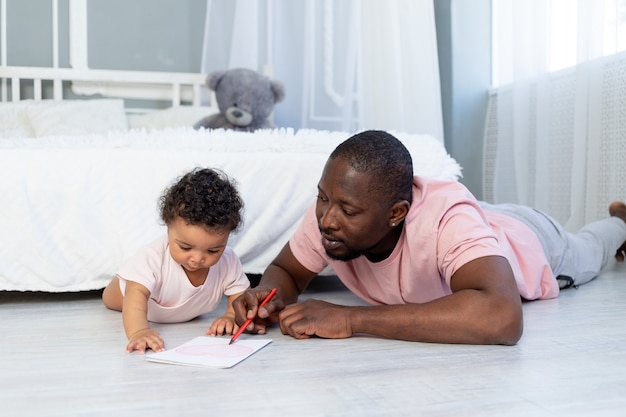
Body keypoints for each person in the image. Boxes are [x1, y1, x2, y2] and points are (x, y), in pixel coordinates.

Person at [232, 130, 626, 345]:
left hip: (531, 239)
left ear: (396, 214)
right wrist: (266, 295)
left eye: (347, 211)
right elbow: (287, 269)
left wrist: (351, 319)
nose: (327, 219)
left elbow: (502, 318)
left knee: (591, 249)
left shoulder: (444, 219)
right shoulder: (333, 210)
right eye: (322, 199)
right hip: (479, 221)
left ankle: (620, 223)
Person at [102, 168, 250, 353]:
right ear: (168, 229)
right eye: (185, 248)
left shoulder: (228, 261)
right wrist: (139, 331)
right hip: (122, 296)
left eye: (213, 250)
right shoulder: (152, 258)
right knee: (125, 291)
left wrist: (230, 316)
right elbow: (135, 297)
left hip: (177, 308)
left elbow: (240, 295)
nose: (197, 259)